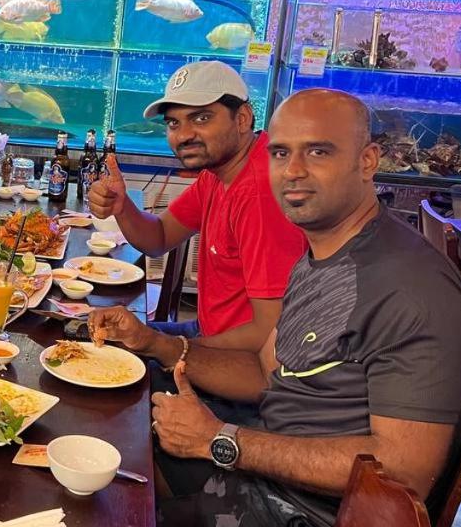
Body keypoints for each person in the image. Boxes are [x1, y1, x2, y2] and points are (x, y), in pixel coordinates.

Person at [89, 88, 461, 527]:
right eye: (280, 152)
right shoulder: (322, 253)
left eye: (318, 151)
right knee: (112, 442)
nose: (292, 171)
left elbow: (402, 469)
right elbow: (262, 373)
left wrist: (221, 439)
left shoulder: (411, 289)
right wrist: (154, 343)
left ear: (368, 161)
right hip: (269, 481)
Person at [88, 61, 306, 352]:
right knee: (91, 335)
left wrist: (169, 349)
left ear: (242, 119)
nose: (183, 135)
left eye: (201, 118)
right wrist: (122, 206)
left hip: (241, 358)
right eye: (173, 123)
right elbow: (159, 237)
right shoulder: (219, 171)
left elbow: (270, 336)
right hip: (208, 330)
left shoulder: (260, 194)